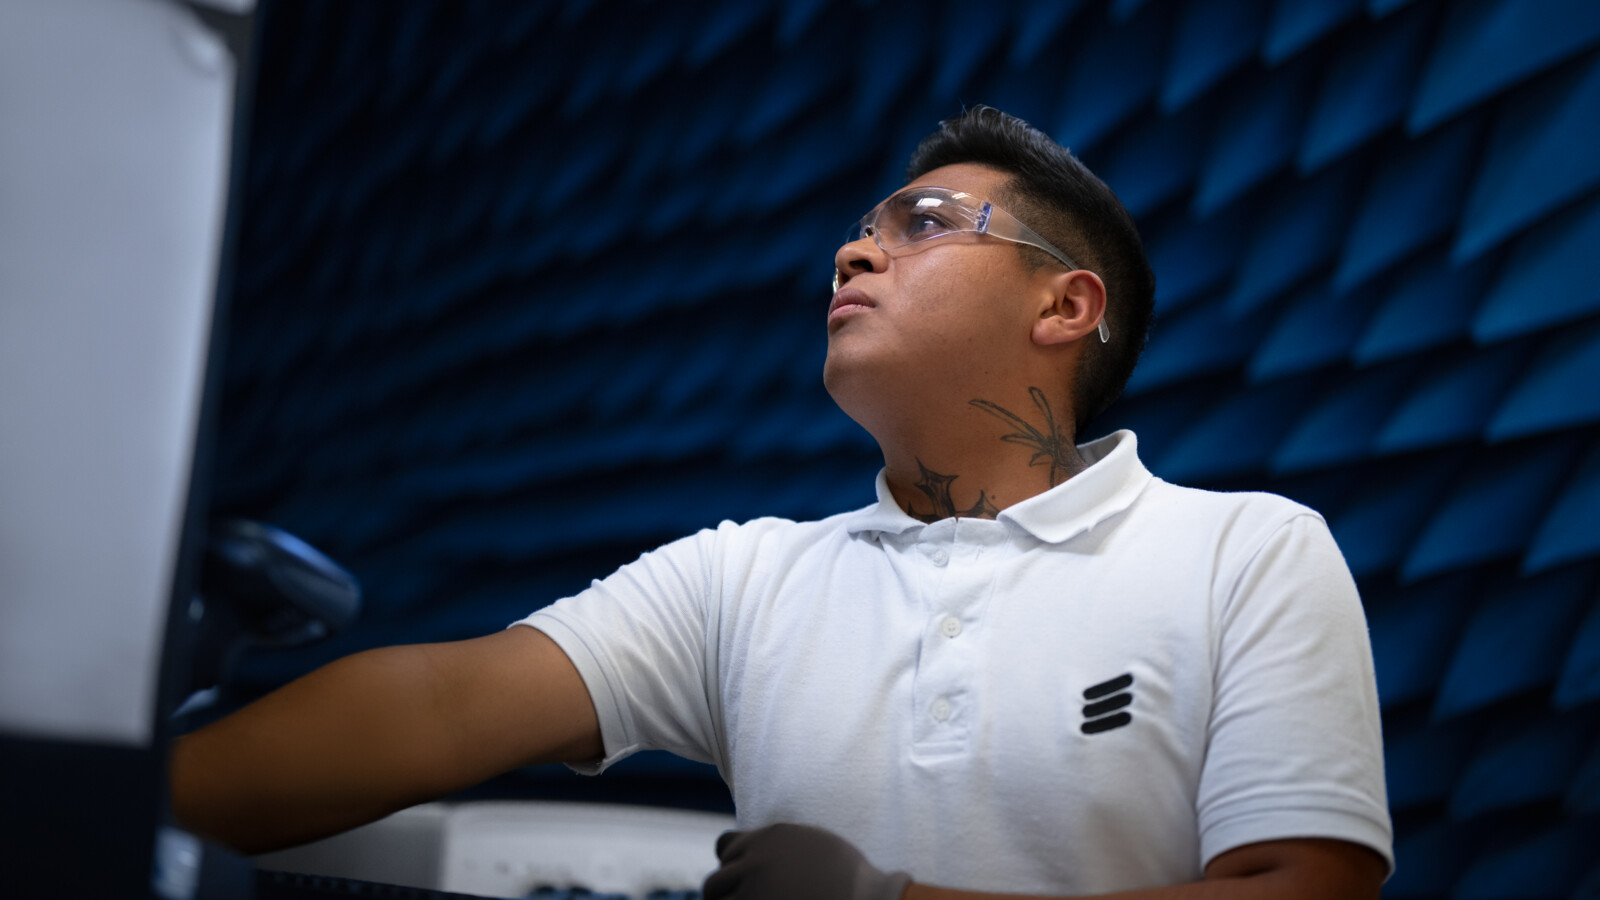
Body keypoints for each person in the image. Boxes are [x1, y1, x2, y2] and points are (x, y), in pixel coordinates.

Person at [172, 106, 1393, 899]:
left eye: (920, 225)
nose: (854, 255)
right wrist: (113, 799)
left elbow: (1300, 888)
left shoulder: (1245, 551)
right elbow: (441, 705)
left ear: (1065, 308)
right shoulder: (741, 579)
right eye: (854, 237)